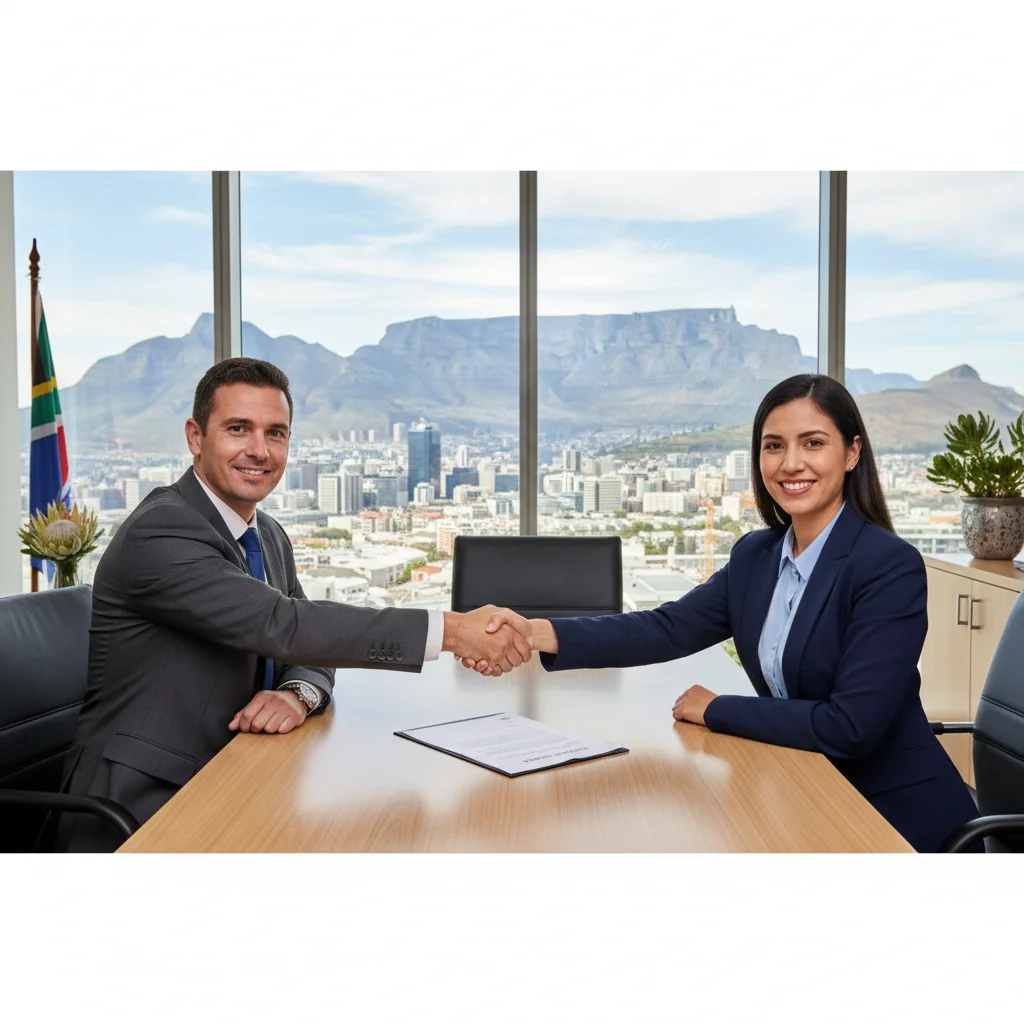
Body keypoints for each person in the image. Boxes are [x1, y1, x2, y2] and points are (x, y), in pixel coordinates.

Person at [465, 374, 980, 853]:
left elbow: (851, 727)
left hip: (891, 816)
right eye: (773, 445)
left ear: (852, 453)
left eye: (813, 443)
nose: (791, 463)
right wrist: (533, 632)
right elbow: (666, 628)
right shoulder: (756, 556)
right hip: (800, 785)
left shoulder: (888, 567)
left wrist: (717, 708)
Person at [56, 358, 530, 852]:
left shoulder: (266, 534)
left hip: (238, 779)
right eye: (238, 429)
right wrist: (452, 631)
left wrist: (297, 693)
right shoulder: (162, 531)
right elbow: (286, 624)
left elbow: (309, 643)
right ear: (195, 437)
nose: (259, 451)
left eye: (276, 433)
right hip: (143, 807)